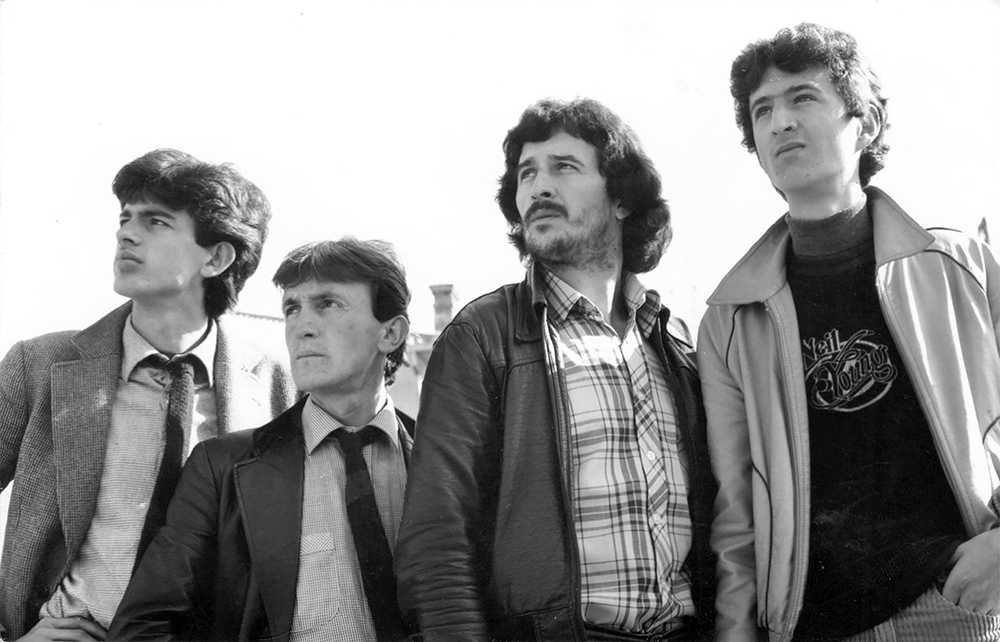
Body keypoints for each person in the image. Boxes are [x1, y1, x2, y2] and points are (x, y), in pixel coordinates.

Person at [699, 22, 1000, 642]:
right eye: (762, 110)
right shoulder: (730, 319)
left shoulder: (961, 268)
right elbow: (736, 517)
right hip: (811, 625)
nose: (779, 122)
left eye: (802, 97)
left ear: (866, 123)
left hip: (954, 605)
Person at [395, 97, 717, 642]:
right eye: (527, 174)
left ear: (622, 198)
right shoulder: (481, 336)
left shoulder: (675, 344)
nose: (538, 188)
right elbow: (437, 536)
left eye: (564, 167)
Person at [0, 148, 297, 642]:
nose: (126, 233)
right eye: (125, 218)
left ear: (217, 257)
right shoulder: (40, 364)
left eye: (156, 221)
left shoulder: (273, 383)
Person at [108, 238, 414, 642]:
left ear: (390, 333)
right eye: (292, 308)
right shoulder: (221, 467)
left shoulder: (444, 460)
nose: (302, 327)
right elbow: (141, 628)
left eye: (328, 304)